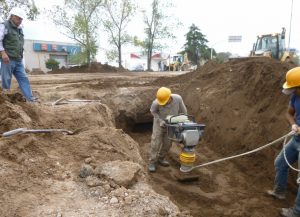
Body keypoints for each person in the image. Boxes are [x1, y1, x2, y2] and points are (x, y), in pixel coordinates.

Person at [267, 67, 300, 217]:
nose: (292, 91)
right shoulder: (295, 96)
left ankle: (296, 211)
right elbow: (289, 113)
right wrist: (293, 124)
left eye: (294, 88)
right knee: (280, 163)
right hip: (296, 139)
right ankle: (279, 192)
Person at [0, 7, 37, 102]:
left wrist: (22, 57)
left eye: (21, 19)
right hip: (7, 59)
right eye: (18, 18)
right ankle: (5, 101)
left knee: (24, 78)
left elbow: (19, 44)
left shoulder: (19, 29)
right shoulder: (4, 26)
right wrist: (3, 53)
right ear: (12, 16)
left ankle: (30, 99)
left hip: (18, 59)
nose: (20, 20)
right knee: (6, 79)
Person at [148, 87, 187, 172]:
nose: (163, 104)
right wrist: (160, 120)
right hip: (159, 123)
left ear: (170, 97)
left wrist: (181, 123)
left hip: (172, 124)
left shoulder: (178, 99)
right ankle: (152, 161)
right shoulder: (156, 103)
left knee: (167, 143)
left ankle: (161, 158)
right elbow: (153, 111)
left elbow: (184, 112)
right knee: (155, 142)